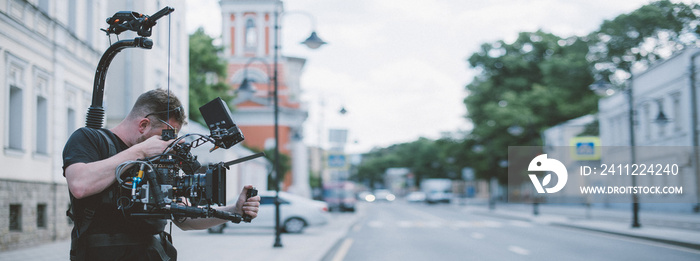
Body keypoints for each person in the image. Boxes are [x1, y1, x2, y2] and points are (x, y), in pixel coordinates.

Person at [63, 89, 260, 261]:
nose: (169, 144)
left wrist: (234, 210)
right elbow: (80, 185)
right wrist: (140, 152)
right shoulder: (90, 139)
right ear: (143, 125)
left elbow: (185, 219)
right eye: (165, 136)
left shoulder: (160, 159)